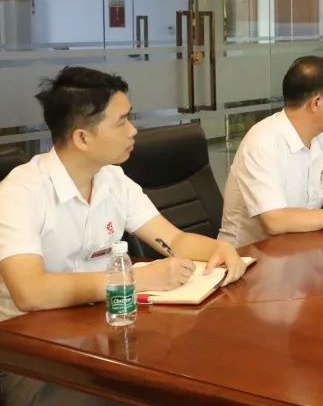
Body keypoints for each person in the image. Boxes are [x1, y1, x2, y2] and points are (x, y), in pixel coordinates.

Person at [0, 67, 246, 405]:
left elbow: (174, 241)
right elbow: (30, 292)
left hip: (103, 328)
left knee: (199, 369)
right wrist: (132, 280)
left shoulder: (113, 180)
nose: (133, 130)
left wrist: (221, 248)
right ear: (82, 138)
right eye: (121, 122)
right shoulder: (21, 191)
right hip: (29, 350)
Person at [218, 56, 323, 248]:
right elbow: (274, 221)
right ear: (316, 103)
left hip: (299, 248)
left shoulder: (322, 140)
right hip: (248, 256)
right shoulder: (263, 142)